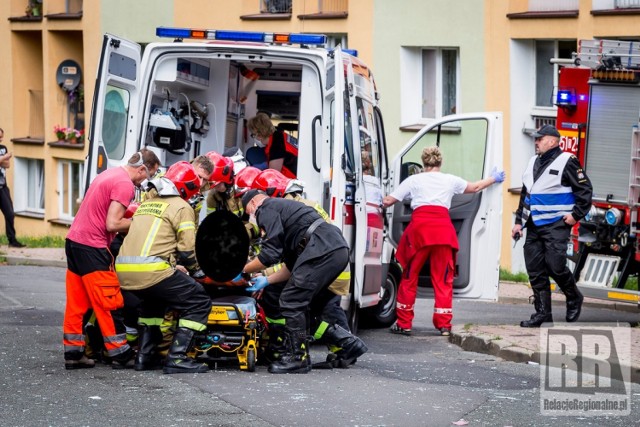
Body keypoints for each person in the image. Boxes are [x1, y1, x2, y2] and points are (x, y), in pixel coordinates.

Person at [382, 146, 505, 336]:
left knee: (409, 276)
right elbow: (475, 187)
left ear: (423, 163)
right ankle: (444, 325)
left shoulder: (414, 180)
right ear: (440, 162)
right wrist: (493, 179)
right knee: (443, 279)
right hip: (443, 232)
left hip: (420, 232)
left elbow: (389, 201)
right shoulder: (450, 180)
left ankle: (404, 323)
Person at [241, 190, 364, 374]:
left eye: (248, 212)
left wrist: (242, 270)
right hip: (334, 248)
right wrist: (266, 280)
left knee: (291, 300)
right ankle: (346, 343)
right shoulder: (287, 216)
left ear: (252, 203)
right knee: (305, 302)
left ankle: (297, 358)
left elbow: (270, 254)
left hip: (322, 249)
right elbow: (290, 268)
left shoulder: (265, 207)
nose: (252, 218)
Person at [62, 149, 160, 370]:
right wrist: (141, 221)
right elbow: (112, 224)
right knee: (108, 301)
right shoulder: (124, 184)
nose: (145, 181)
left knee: (77, 303)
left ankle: (73, 353)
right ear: (142, 168)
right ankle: (121, 354)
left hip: (74, 242)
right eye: (148, 175)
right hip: (92, 246)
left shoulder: (108, 174)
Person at [115, 161, 212, 374]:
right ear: (186, 187)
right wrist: (198, 272)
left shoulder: (147, 204)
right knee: (198, 300)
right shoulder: (182, 206)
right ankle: (177, 358)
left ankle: (144, 357)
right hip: (151, 269)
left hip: (124, 270)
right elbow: (187, 250)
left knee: (154, 303)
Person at [512, 124, 593, 328]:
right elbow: (526, 194)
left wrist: (575, 216)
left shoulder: (568, 161)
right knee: (535, 270)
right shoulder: (532, 162)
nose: (536, 142)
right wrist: (518, 223)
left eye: (539, 139)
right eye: (535, 139)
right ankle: (542, 314)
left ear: (552, 141)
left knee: (555, 266)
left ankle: (573, 296)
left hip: (556, 224)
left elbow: (585, 191)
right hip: (534, 224)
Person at [247, 112, 298, 178]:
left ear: (259, 135)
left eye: (253, 135)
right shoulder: (279, 136)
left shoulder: (277, 144)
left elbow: (273, 174)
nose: (254, 138)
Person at [0, 128, 25, 248]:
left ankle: (12, 240)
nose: (1, 139)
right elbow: (4, 161)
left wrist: (3, 159)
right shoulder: (4, 153)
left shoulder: (3, 148)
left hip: (2, 187)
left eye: (1, 136)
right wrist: (4, 158)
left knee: (9, 213)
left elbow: (7, 165)